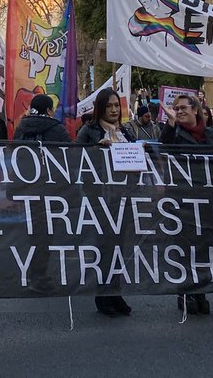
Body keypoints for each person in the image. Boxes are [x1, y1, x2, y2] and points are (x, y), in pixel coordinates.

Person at [158, 93, 213, 315]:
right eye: (176, 108)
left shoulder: (212, 134)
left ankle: (200, 291)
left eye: (183, 108)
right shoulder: (174, 133)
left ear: (195, 110)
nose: (179, 111)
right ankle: (185, 292)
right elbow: (164, 147)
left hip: (210, 202)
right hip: (183, 202)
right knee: (185, 250)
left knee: (205, 250)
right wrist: (170, 123)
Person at [74, 89, 134, 316]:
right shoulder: (88, 131)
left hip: (123, 198)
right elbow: (74, 158)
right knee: (105, 247)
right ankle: (103, 296)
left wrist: (142, 151)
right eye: (109, 106)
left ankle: (115, 292)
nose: (114, 110)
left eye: (116, 105)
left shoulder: (125, 132)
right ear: (101, 108)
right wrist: (95, 150)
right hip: (100, 198)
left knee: (119, 247)